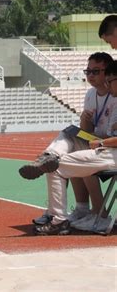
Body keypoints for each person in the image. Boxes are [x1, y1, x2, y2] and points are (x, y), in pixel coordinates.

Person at [19, 52, 117, 228]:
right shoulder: (91, 95)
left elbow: (112, 138)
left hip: (109, 150)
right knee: (68, 136)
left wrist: (102, 142)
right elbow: (93, 132)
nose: (91, 76)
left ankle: (60, 218)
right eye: (88, 72)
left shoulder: (115, 100)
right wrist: (85, 123)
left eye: (96, 72)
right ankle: (50, 156)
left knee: (58, 166)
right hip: (100, 145)